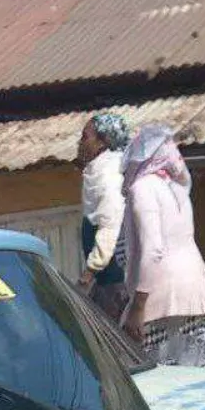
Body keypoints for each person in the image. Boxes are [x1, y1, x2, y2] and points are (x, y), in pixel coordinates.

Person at [121, 124, 205, 367]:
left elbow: (152, 251)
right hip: (201, 297)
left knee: (163, 389)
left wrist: (138, 307)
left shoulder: (143, 189)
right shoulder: (177, 186)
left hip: (161, 304)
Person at [76, 109, 130, 320]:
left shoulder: (109, 175)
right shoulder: (99, 171)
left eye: (85, 137)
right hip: (106, 281)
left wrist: (86, 276)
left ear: (103, 142)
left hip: (115, 285)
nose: (81, 143)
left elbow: (110, 227)